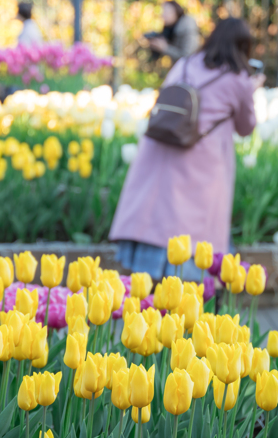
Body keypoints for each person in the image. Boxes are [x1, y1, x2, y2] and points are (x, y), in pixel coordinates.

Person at [110, 17, 263, 279]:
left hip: (160, 147)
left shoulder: (185, 63)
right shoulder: (238, 79)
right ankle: (188, 287)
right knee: (192, 228)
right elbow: (246, 126)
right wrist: (253, 87)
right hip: (203, 159)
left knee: (157, 216)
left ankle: (149, 284)